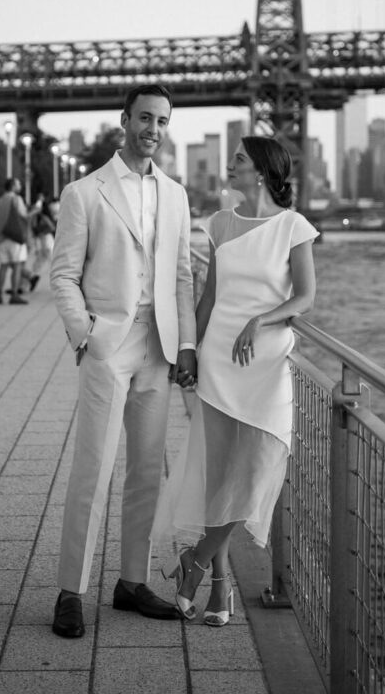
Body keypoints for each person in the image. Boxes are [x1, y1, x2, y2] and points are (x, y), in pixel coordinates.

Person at [49, 83, 197, 639]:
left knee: (145, 474)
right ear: (124, 120)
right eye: (144, 118)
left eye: (162, 120)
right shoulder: (84, 192)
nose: (152, 130)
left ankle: (131, 583)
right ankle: (71, 590)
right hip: (108, 345)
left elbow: (182, 274)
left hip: (157, 348)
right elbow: (62, 275)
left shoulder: (177, 196)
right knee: (93, 467)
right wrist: (84, 335)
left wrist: (186, 346)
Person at [153, 136, 319, 627]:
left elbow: (305, 297)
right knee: (220, 476)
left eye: (240, 159)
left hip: (265, 365)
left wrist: (261, 320)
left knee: (257, 469)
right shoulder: (221, 223)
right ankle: (221, 591)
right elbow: (208, 299)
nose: (231, 165)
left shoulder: (294, 227)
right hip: (220, 363)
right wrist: (188, 351)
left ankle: (195, 563)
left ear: (263, 171)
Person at [0, 178, 28, 305]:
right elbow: (24, 215)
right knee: (17, 266)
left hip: (1, 238)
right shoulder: (16, 199)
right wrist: (36, 209)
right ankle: (14, 295)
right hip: (15, 237)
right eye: (19, 184)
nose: (20, 186)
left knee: (3, 266)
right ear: (13, 186)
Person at [26, 195, 56, 291]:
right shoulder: (39, 217)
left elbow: (51, 227)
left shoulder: (41, 217)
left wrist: (41, 231)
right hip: (45, 240)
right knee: (40, 262)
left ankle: (31, 279)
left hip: (45, 240)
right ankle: (31, 279)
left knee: (50, 263)